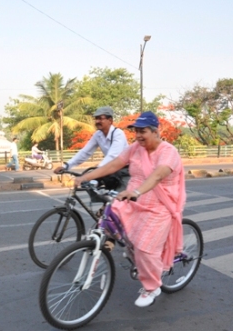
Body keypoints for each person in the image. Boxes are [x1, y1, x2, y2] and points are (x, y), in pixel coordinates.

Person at [74, 111, 186, 308]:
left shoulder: (168, 152)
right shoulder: (135, 148)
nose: (138, 136)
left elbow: (158, 175)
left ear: (154, 131)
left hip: (159, 205)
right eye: (136, 132)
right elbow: (114, 164)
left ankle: (152, 287)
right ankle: (125, 250)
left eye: (142, 131)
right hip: (133, 199)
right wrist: (86, 177)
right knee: (107, 220)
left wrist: (136, 191)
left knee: (144, 247)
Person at [53, 106, 128, 187]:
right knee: (93, 189)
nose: (97, 121)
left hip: (125, 171)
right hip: (110, 171)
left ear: (110, 120)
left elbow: (113, 156)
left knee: (119, 197)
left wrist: (98, 170)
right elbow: (85, 152)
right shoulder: (98, 135)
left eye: (100, 118)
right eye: (96, 119)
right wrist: (66, 166)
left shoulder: (118, 134)